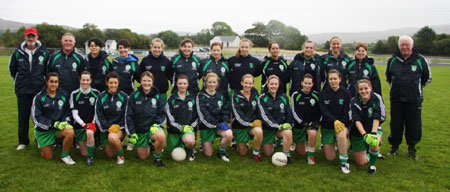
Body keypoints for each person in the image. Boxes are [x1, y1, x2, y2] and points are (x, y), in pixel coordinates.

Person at [386, 35, 432, 160]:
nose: (404, 47)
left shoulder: (420, 60)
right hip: (396, 99)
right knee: (395, 124)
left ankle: (412, 149)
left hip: (414, 100)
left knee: (414, 125)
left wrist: (416, 88)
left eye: (407, 44)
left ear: (412, 46)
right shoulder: (392, 60)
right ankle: (394, 147)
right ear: (399, 46)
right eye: (402, 45)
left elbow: (427, 78)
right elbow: (388, 78)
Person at [9, 27, 49, 150]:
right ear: (25, 37)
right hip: (23, 90)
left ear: (37, 37)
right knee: (23, 116)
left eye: (33, 36)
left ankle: (39, 140)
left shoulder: (44, 52)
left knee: (38, 116)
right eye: (28, 36)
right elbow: (12, 70)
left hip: (39, 90)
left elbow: (47, 71)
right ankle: (23, 141)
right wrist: (21, 82)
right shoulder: (17, 52)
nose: (30, 38)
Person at [32, 72, 75, 165]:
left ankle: (65, 156)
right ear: (47, 82)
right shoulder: (39, 97)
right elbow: (36, 118)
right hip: (44, 131)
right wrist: (53, 124)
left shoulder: (63, 95)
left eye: (56, 82)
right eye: (51, 81)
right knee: (48, 157)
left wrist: (65, 121)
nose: (53, 84)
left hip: (58, 128)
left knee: (70, 132)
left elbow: (67, 112)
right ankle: (42, 143)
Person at [125, 71, 166, 166]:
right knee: (143, 157)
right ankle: (149, 144)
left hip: (152, 128)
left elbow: (162, 113)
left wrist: (157, 124)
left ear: (152, 82)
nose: (146, 83)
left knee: (161, 136)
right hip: (140, 130)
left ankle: (157, 158)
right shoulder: (134, 96)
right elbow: (128, 115)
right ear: (140, 81)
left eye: (149, 81)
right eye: (144, 81)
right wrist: (132, 133)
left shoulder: (157, 96)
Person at [319, 69, 352, 174]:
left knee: (341, 134)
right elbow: (324, 111)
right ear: (328, 80)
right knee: (330, 158)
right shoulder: (323, 94)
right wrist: (334, 121)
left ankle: (344, 162)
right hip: (328, 126)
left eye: (335, 79)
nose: (333, 81)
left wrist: (342, 122)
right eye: (330, 79)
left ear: (340, 79)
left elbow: (347, 111)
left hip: (341, 124)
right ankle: (333, 143)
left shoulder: (346, 93)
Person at [350, 79, 386, 174]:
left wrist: (373, 133)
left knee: (373, 141)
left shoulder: (376, 98)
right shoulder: (354, 101)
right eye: (361, 89)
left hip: (373, 128)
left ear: (370, 88)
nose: (364, 91)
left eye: (366, 88)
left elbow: (377, 116)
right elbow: (356, 120)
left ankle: (372, 166)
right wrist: (364, 134)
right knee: (360, 162)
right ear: (358, 90)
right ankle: (371, 152)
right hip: (359, 131)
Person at [196, 72, 233, 162]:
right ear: (205, 83)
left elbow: (225, 111)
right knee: (208, 154)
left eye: (214, 82)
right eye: (210, 82)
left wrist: (224, 122)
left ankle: (221, 151)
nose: (212, 84)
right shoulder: (201, 96)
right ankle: (206, 141)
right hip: (206, 127)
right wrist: (216, 125)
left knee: (229, 134)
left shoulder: (220, 96)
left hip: (219, 125)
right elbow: (203, 115)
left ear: (217, 83)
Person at [258, 75, 294, 163]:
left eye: (276, 84)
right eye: (271, 84)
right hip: (268, 129)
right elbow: (265, 116)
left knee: (288, 132)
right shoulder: (262, 98)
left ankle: (286, 155)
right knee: (268, 153)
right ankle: (270, 142)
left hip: (280, 128)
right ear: (267, 84)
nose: (273, 86)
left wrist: (289, 123)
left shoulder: (284, 97)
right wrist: (277, 126)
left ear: (278, 85)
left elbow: (289, 113)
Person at [94, 72, 128, 164]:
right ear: (107, 83)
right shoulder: (101, 97)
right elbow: (98, 116)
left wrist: (119, 127)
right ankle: (117, 145)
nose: (113, 85)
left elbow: (126, 115)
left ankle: (120, 156)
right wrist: (108, 127)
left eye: (115, 83)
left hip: (118, 129)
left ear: (118, 83)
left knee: (112, 137)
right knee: (110, 155)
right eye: (111, 83)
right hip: (105, 130)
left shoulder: (124, 97)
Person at [69, 71, 100, 165]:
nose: (85, 82)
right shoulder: (74, 94)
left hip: (92, 125)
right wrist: (83, 124)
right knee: (83, 153)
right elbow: (74, 113)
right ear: (80, 80)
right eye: (83, 80)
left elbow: (97, 111)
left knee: (90, 133)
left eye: (87, 80)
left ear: (91, 80)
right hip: (80, 126)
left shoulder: (96, 93)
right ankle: (90, 145)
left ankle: (90, 157)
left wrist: (92, 123)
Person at [231, 74, 263, 162]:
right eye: (246, 83)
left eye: (250, 83)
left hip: (251, 126)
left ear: (253, 84)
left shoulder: (256, 95)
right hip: (240, 126)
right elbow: (237, 115)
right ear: (242, 83)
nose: (248, 85)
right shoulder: (236, 96)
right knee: (243, 153)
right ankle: (239, 141)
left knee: (259, 131)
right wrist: (250, 123)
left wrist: (258, 120)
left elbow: (259, 110)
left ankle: (256, 153)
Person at [165, 74, 198, 161]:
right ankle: (180, 143)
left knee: (189, 141)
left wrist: (190, 128)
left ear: (187, 84)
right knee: (172, 150)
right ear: (176, 84)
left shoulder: (193, 98)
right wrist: (181, 128)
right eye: (180, 83)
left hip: (188, 129)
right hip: (174, 130)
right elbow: (169, 118)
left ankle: (190, 151)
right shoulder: (170, 99)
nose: (182, 86)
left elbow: (196, 116)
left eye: (184, 83)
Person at [291, 74, 321, 165]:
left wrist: (316, 123)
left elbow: (320, 112)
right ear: (301, 83)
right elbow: (293, 112)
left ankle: (311, 156)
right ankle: (297, 143)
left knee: (312, 132)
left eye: (309, 83)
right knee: (301, 153)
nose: (307, 85)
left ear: (312, 84)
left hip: (311, 125)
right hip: (299, 125)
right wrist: (302, 122)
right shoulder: (295, 95)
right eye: (305, 83)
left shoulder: (316, 95)